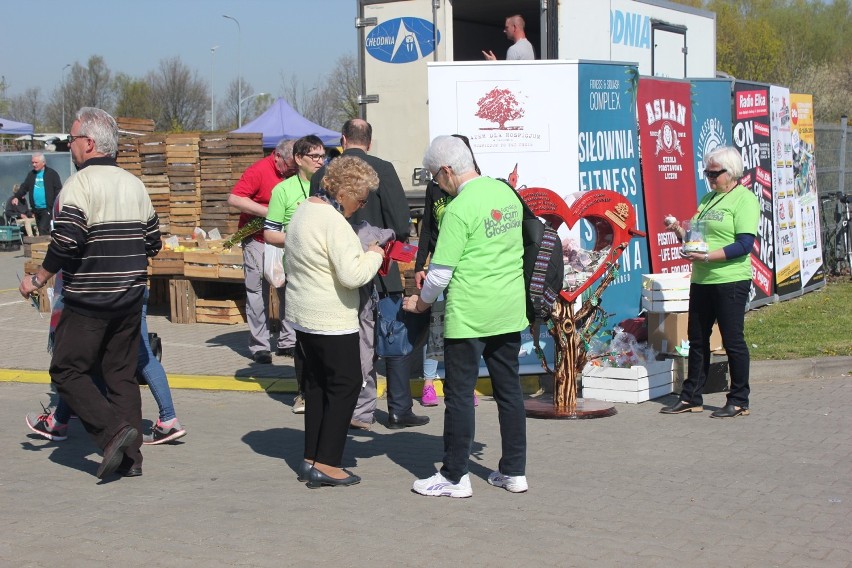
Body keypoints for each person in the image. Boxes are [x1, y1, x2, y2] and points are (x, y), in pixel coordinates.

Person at [19, 107, 162, 479]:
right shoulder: (135, 185)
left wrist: (37, 279)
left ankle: (112, 433)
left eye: (73, 139)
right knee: (121, 375)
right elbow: (153, 241)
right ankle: (132, 459)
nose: (70, 146)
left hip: (89, 300)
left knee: (66, 370)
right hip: (130, 298)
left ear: (90, 143)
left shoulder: (78, 186)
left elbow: (66, 243)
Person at [404, 135, 529, 498]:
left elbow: (440, 274)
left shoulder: (458, 209)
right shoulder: (506, 194)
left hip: (471, 313)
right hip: (508, 308)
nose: (435, 184)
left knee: (458, 395)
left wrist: (421, 304)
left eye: (434, 176)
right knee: (509, 392)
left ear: (447, 170)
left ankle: (455, 475)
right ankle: (514, 471)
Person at [311, 119, 427, 431]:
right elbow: (402, 224)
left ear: (342, 139)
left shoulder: (323, 172)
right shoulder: (384, 169)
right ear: (370, 142)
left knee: (352, 343)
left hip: (336, 272)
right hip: (381, 270)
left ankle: (354, 409)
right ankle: (399, 409)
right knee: (392, 338)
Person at [286, 155, 385, 488]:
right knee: (345, 385)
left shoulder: (304, 209)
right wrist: (375, 253)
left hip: (303, 315)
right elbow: (351, 274)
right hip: (331, 317)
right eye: (360, 199)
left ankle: (311, 458)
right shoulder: (333, 221)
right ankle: (327, 463)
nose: (361, 206)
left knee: (316, 386)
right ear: (344, 191)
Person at [660, 146, 759, 419]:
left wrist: (708, 257)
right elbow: (696, 239)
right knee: (697, 339)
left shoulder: (744, 200)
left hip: (731, 279)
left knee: (732, 340)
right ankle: (691, 396)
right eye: (707, 172)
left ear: (732, 172)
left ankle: (739, 399)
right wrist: (680, 231)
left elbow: (744, 244)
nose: (710, 178)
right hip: (702, 279)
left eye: (715, 173)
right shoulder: (707, 199)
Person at [26, 286, 187, 452]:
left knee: (79, 362)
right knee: (100, 359)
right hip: (132, 287)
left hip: (107, 292)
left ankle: (61, 421)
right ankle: (63, 417)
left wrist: (38, 279)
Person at [414, 135, 481, 408]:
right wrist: (420, 265)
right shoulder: (435, 188)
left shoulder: (477, 188)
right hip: (441, 264)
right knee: (437, 325)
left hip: (465, 270)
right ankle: (428, 383)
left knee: (465, 330)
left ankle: (466, 384)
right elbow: (427, 228)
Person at [263, 135, 326, 414]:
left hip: (326, 271)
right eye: (314, 156)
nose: (320, 162)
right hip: (297, 272)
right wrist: (297, 236)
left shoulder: (330, 187)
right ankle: (303, 392)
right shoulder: (283, 191)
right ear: (298, 159)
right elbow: (269, 233)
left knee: (327, 334)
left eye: (323, 156)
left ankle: (327, 388)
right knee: (303, 335)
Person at [227, 139, 297, 364]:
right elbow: (235, 198)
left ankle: (288, 341)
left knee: (288, 289)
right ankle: (260, 346)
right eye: (288, 165)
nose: (290, 170)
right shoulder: (258, 170)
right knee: (257, 291)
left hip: (284, 240)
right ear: (277, 155)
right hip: (257, 240)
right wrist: (269, 211)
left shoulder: (294, 175)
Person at [12, 152, 62, 235]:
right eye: (32, 162)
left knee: (43, 229)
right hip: (36, 209)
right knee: (40, 229)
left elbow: (58, 190)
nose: (34, 165)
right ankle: (45, 246)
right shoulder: (31, 175)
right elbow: (24, 187)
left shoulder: (52, 174)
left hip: (47, 208)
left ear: (43, 162)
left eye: (36, 162)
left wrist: (55, 205)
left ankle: (45, 246)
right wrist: (17, 196)